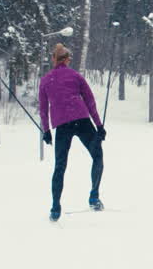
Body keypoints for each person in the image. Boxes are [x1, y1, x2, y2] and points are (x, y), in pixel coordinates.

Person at [38, 44, 105, 220]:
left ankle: (55, 207)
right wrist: (99, 125)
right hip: (82, 120)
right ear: (66, 59)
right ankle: (94, 197)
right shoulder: (75, 76)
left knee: (60, 166)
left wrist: (46, 130)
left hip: (62, 125)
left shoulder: (46, 80)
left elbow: (43, 109)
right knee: (97, 156)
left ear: (54, 60)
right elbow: (90, 101)